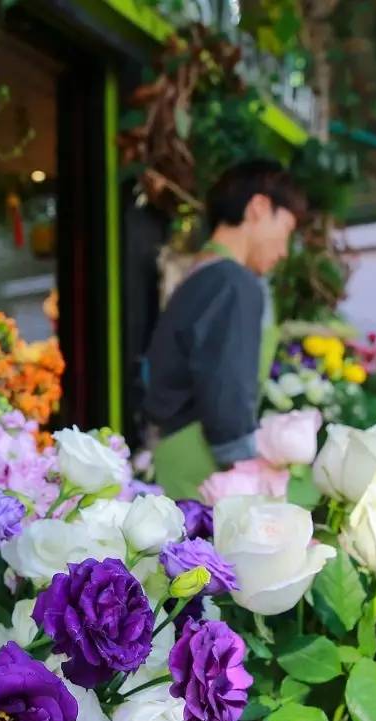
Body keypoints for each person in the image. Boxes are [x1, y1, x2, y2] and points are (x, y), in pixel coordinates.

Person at [143, 159, 305, 500]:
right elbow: (226, 383)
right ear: (259, 207)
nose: (284, 251)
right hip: (206, 467)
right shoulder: (234, 282)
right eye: (286, 230)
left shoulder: (200, 275)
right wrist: (246, 467)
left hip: (174, 457)